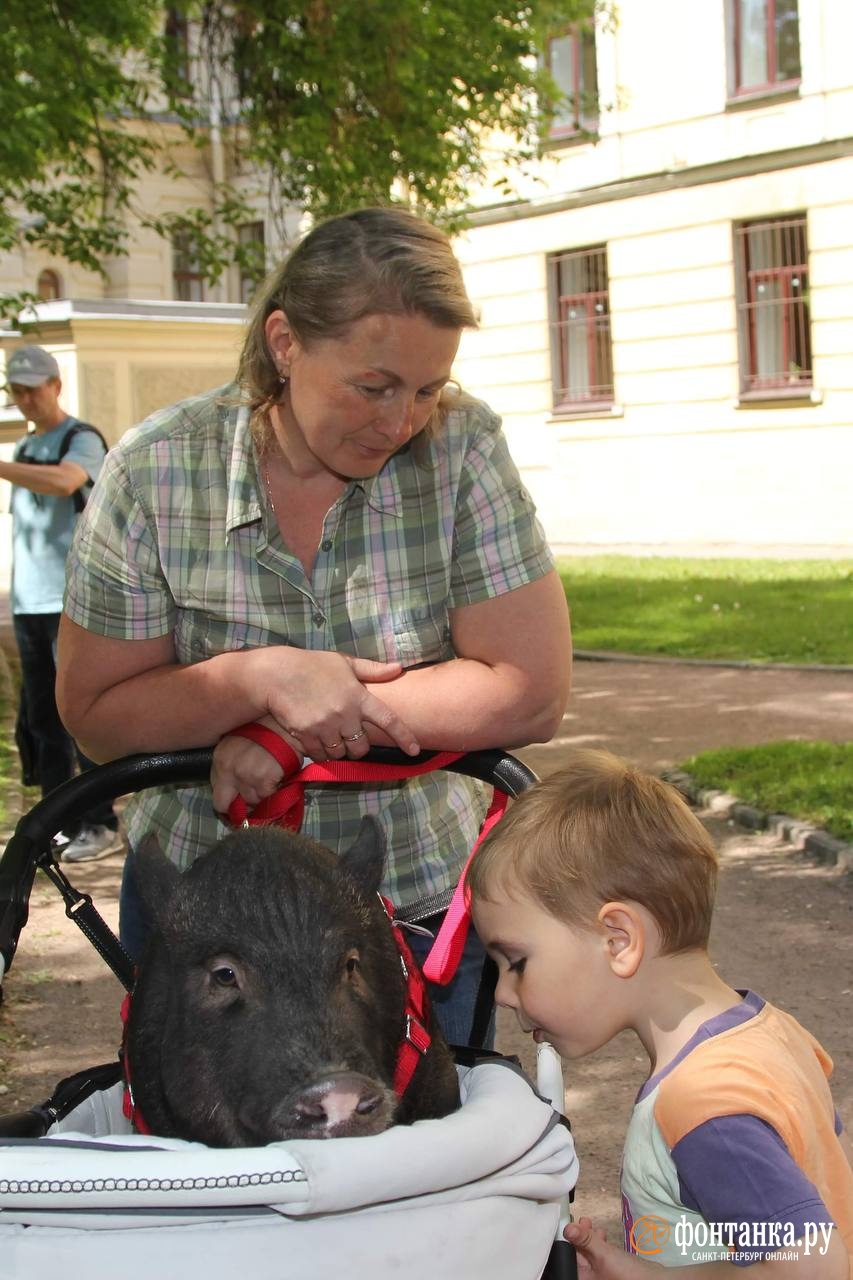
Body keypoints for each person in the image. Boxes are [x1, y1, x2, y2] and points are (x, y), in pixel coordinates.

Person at [55, 206, 572, 1046]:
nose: (400, 420)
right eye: (373, 385)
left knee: (419, 1169)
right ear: (285, 343)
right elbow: (97, 713)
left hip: (409, 907)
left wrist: (286, 731)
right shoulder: (155, 470)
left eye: (427, 387)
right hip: (209, 923)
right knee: (216, 1167)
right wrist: (258, 680)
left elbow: (529, 692)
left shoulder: (462, 447)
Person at [468, 749, 853, 1277]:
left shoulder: (705, 1105)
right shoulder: (770, 1034)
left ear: (618, 939)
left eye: (515, 962)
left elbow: (812, 1267)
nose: (503, 995)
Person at [1, 345, 121, 862]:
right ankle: (53, 824)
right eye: (16, 390)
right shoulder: (27, 448)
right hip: (30, 602)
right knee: (42, 720)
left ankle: (99, 822)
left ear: (56, 385)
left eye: (33, 387)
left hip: (72, 604)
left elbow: (66, 481)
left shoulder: (81, 439)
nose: (26, 398)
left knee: (80, 718)